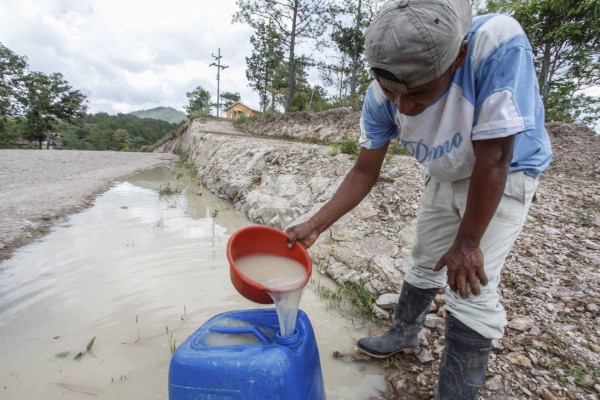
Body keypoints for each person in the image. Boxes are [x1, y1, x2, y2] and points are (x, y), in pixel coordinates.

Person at [286, 0, 553, 398]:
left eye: (419, 92)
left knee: (469, 288)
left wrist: (467, 242)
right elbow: (364, 171)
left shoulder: (494, 45)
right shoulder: (381, 97)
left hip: (504, 172)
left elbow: (495, 156)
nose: (404, 107)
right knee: (425, 257)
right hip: (446, 171)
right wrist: (314, 225)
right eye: (393, 92)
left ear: (458, 56)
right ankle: (404, 332)